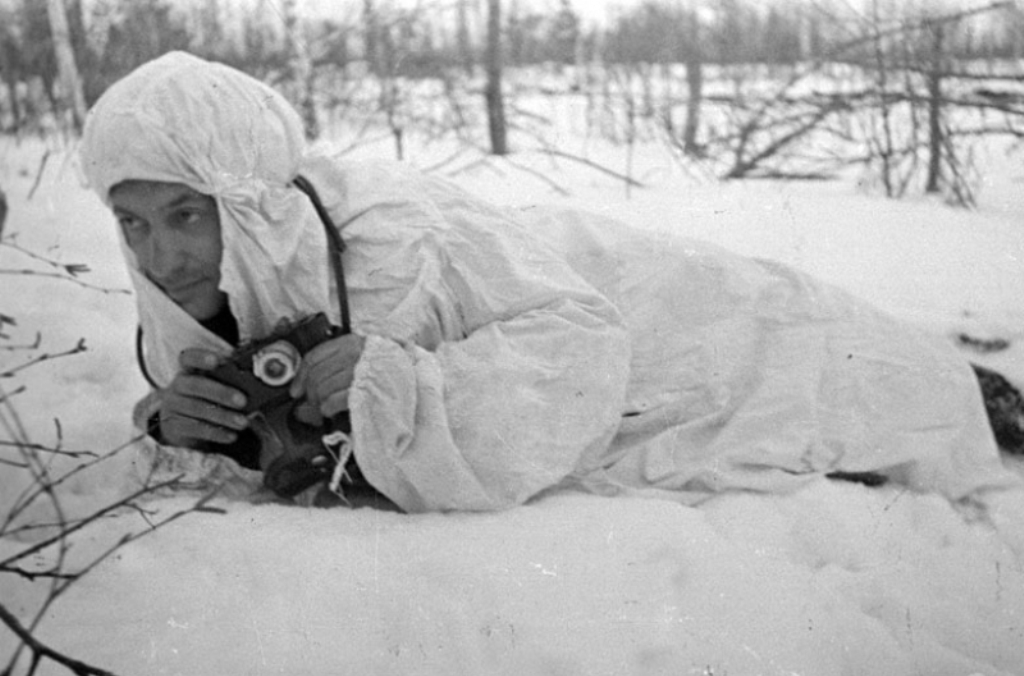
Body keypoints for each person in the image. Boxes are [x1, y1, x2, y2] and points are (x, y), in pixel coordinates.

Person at [80, 51, 1019, 513]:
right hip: (568, 298)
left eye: (185, 215)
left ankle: (973, 387)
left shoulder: (397, 230)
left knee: (793, 349)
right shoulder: (184, 271)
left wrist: (402, 384)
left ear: (245, 203)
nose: (162, 257)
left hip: (610, 294)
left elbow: (579, 341)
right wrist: (176, 419)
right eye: (134, 222)